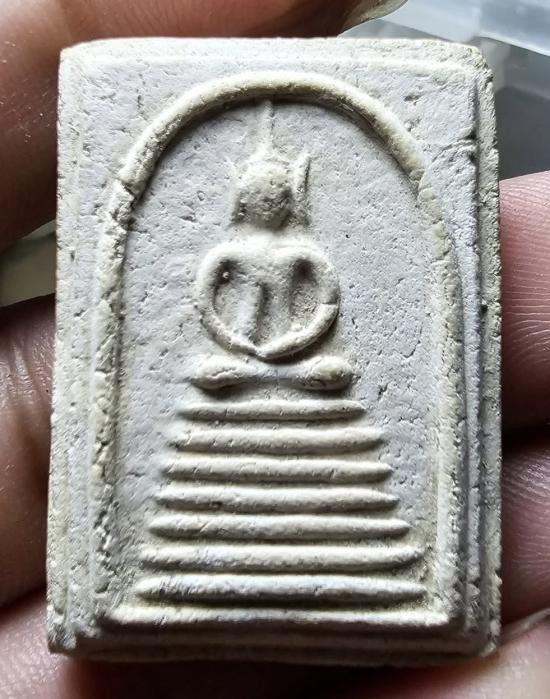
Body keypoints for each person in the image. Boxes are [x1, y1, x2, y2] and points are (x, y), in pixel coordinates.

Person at [1, 1, 549, 696]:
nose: (268, 204)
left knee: (327, 378)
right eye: (259, 195)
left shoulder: (301, 251)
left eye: (276, 195)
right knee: (218, 386)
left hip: (300, 361)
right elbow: (211, 304)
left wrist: (286, 347)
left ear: (290, 198)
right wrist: (247, 345)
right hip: (237, 362)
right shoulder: (231, 250)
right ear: (245, 198)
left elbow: (321, 306)